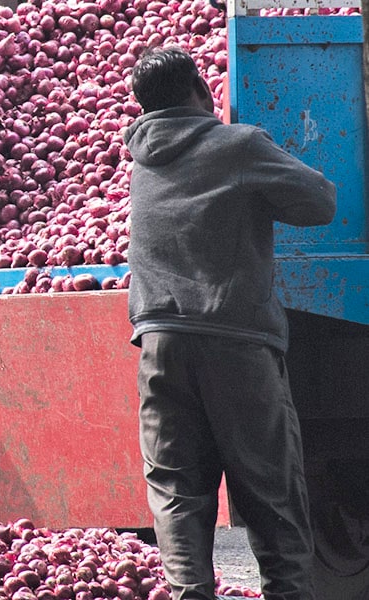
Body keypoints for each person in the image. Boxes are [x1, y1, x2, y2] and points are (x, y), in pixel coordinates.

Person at [123, 47, 336, 600]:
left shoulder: (141, 161)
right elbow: (319, 203)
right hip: (235, 342)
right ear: (201, 90)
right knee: (273, 500)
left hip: (159, 343)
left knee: (177, 496)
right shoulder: (236, 144)